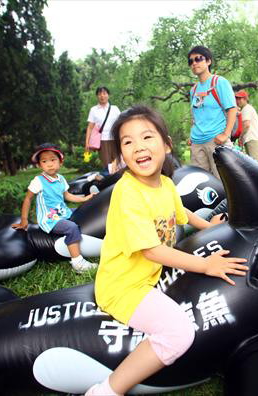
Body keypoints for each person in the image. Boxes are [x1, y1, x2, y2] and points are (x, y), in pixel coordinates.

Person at [86, 106, 248, 396]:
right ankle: (107, 390)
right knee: (177, 333)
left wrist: (208, 227)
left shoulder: (165, 184)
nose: (138, 147)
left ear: (166, 143)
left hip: (146, 278)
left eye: (147, 137)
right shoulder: (127, 194)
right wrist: (206, 265)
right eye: (128, 142)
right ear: (121, 155)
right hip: (123, 287)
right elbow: (152, 251)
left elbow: (180, 211)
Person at [12, 143, 97, 273]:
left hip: (62, 212)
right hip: (49, 219)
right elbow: (28, 199)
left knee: (81, 213)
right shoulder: (38, 181)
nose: (50, 164)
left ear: (60, 162)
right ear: (40, 165)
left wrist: (84, 199)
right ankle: (77, 262)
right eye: (44, 161)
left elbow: (67, 196)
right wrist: (24, 220)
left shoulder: (61, 179)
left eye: (53, 160)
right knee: (71, 227)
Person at [188, 45, 236, 179]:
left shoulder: (219, 82)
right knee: (203, 186)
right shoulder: (193, 90)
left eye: (198, 59)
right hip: (197, 144)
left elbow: (232, 109)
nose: (194, 63)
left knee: (224, 183)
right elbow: (196, 114)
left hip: (216, 141)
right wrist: (192, 135)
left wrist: (226, 134)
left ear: (208, 61)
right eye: (191, 61)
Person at [85, 86, 121, 168]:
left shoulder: (115, 109)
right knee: (106, 164)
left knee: (119, 162)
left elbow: (121, 123)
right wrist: (87, 142)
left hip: (115, 139)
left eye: (104, 93)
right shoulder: (94, 110)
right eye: (99, 94)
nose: (102, 96)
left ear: (108, 95)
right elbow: (90, 127)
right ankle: (109, 180)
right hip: (102, 141)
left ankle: (119, 179)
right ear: (97, 96)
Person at [235, 90, 258, 163]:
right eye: (236, 98)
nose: (237, 101)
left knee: (257, 164)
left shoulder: (246, 108)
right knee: (254, 164)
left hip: (252, 139)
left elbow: (246, 125)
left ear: (245, 99)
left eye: (240, 98)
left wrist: (240, 137)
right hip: (251, 139)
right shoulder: (246, 109)